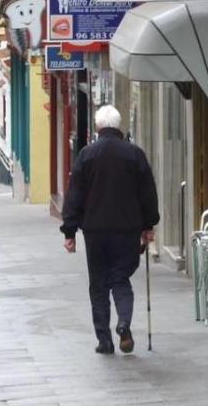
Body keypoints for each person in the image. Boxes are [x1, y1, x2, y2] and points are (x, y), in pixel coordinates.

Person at [60, 105, 160, 355]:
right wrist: (149, 225)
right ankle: (124, 322)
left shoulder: (86, 155)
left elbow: (75, 195)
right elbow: (148, 193)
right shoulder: (135, 154)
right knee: (120, 278)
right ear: (119, 126)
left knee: (98, 285)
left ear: (98, 127)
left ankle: (104, 340)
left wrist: (69, 231)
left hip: (95, 231)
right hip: (127, 230)